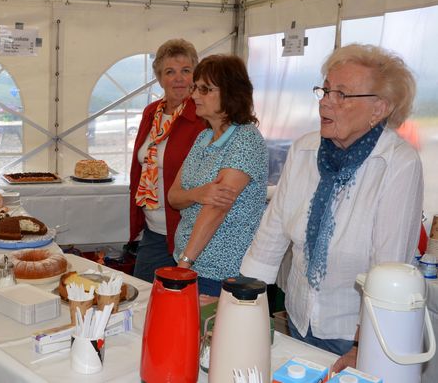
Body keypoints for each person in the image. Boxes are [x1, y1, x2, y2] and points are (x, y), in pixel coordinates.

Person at [240, 44, 423, 371]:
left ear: (378, 108)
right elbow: (273, 230)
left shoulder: (397, 163)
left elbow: (389, 265)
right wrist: (242, 301)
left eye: (342, 94)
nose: (326, 101)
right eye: (325, 90)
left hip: (353, 334)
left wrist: (363, 345)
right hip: (300, 320)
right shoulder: (305, 149)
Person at [168, 54, 268, 296]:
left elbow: (216, 210)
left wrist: (183, 267)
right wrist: (198, 193)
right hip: (190, 263)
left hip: (220, 274)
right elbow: (173, 197)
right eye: (196, 88)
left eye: (205, 89)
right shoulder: (203, 138)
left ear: (231, 93)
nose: (194, 95)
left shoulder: (245, 140)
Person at [130, 39, 206, 283]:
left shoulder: (202, 117)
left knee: (180, 306)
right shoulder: (151, 112)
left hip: (186, 230)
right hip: (154, 230)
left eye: (186, 71)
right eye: (169, 72)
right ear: (159, 78)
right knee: (144, 297)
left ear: (196, 74)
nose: (179, 79)